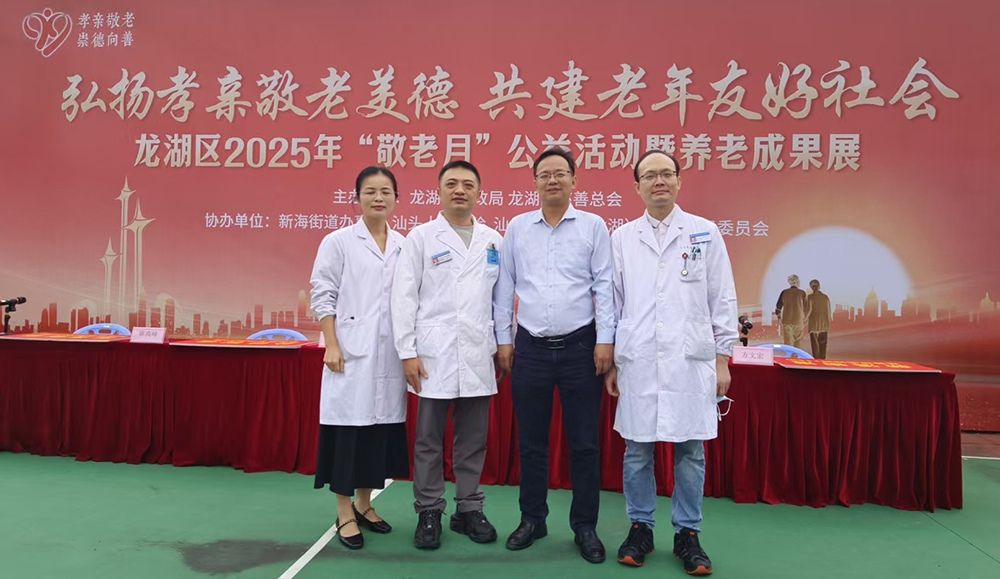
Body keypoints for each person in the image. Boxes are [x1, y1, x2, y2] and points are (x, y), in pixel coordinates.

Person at [605, 150, 738, 576]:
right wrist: (613, 359)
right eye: (649, 176)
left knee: (691, 451)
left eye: (666, 174)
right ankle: (640, 527)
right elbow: (613, 302)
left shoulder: (704, 233)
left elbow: (722, 297)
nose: (658, 181)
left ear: (679, 181)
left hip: (690, 359)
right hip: (638, 358)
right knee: (637, 451)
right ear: (637, 187)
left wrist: (723, 358)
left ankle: (688, 533)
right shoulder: (622, 238)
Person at [493, 148, 615, 564]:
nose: (552, 180)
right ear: (534, 182)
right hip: (530, 349)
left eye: (560, 173)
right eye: (544, 174)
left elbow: (604, 286)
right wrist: (504, 340)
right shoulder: (518, 228)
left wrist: (606, 340)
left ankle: (585, 526)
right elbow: (505, 287)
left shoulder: (593, 226)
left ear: (574, 180)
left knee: (584, 445)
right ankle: (533, 519)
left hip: (582, 348)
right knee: (531, 444)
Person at [391, 160, 502, 549]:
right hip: (432, 354)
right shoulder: (421, 237)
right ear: (438, 191)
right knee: (428, 439)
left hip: (478, 352)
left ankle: (469, 508)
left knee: (473, 439)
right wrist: (407, 351)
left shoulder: (493, 240)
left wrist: (503, 344)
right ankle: (428, 510)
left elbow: (500, 299)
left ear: (479, 192)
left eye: (468, 184)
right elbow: (403, 296)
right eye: (451, 183)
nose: (460, 190)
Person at [310, 166, 409, 550]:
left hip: (389, 354)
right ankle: (344, 511)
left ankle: (365, 504)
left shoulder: (403, 244)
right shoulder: (338, 242)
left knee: (377, 432)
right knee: (348, 432)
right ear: (357, 198)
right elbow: (323, 292)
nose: (378, 198)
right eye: (370, 191)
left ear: (397, 198)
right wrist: (332, 344)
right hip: (350, 351)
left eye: (386, 191)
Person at [775, 275, 808, 349]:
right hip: (798, 321)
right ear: (797, 281)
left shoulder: (784, 292)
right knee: (797, 342)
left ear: (789, 282)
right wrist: (805, 319)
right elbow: (806, 308)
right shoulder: (802, 293)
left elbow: (778, 307)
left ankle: (788, 355)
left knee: (788, 343)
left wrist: (779, 317)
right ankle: (795, 355)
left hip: (786, 320)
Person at [807, 279, 832, 359]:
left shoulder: (810, 297)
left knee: (815, 348)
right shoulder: (825, 297)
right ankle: (822, 363)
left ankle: (816, 363)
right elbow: (829, 311)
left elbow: (808, 310)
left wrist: (804, 320)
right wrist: (828, 323)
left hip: (814, 325)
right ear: (819, 286)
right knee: (823, 347)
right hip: (824, 325)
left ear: (811, 287)